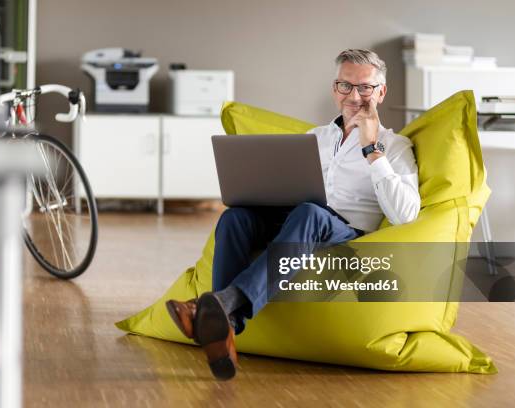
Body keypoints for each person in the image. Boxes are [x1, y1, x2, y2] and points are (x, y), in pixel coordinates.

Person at [166, 49, 421, 380]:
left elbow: (406, 214)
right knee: (235, 217)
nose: (354, 96)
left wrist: (372, 150)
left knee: (310, 213)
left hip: (346, 233)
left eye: (365, 88)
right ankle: (224, 324)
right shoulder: (315, 137)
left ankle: (218, 307)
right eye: (345, 86)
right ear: (334, 89)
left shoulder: (395, 145)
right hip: (297, 221)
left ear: (381, 92)